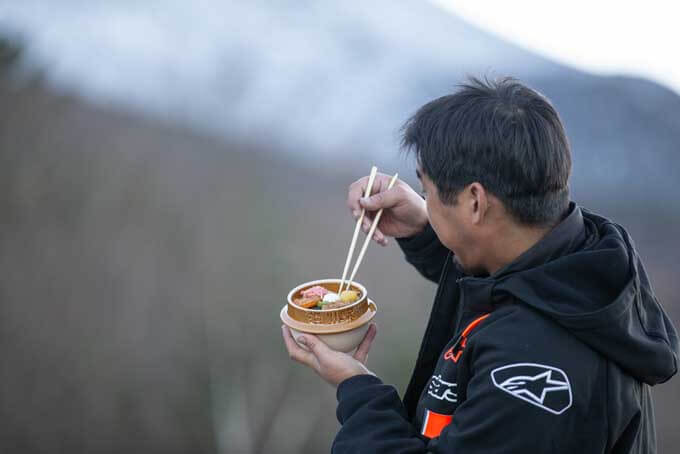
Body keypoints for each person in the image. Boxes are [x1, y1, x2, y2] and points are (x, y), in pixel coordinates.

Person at [281, 76, 679, 453]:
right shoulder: (578, 268)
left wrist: (357, 389)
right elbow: (511, 286)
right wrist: (426, 224)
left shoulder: (534, 372)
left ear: (474, 201)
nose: (425, 201)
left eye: (428, 190)